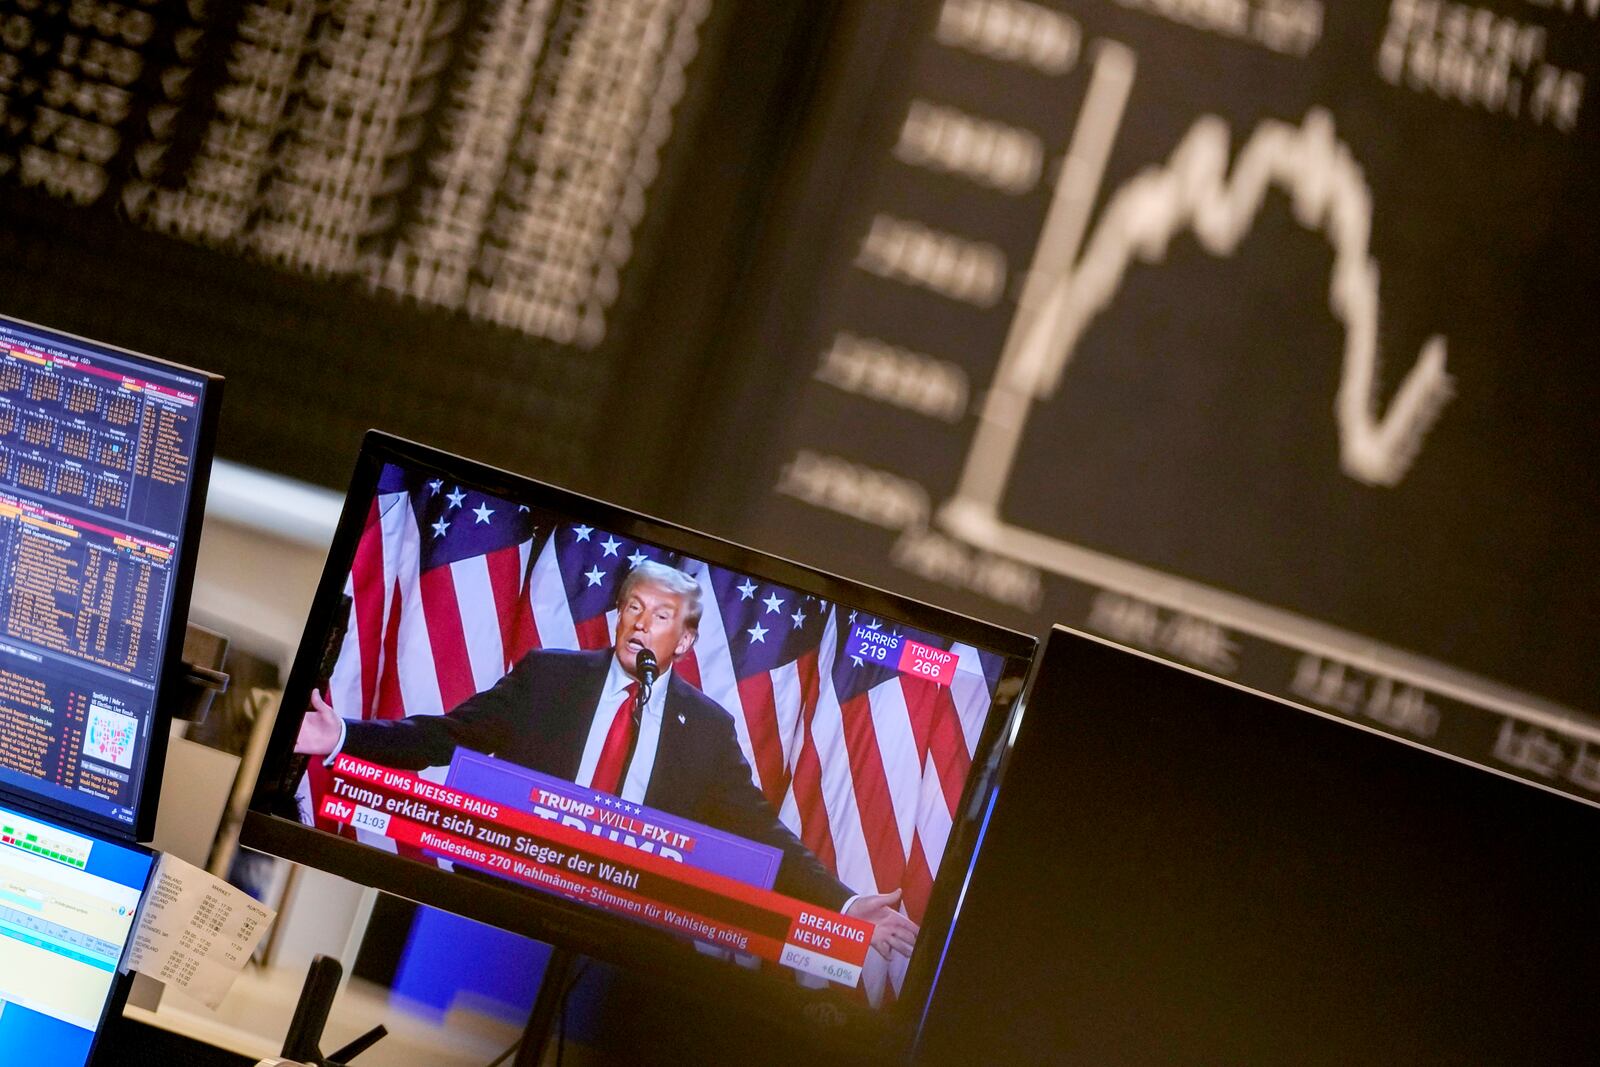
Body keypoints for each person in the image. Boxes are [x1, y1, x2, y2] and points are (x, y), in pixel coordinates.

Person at [296, 561, 917, 960]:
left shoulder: (705, 728)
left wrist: (841, 903)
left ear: (687, 640)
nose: (641, 625)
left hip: (623, 935)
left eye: (662, 616)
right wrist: (342, 736)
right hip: (505, 913)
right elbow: (445, 736)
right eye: (633, 608)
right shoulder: (550, 677)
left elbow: (757, 829)